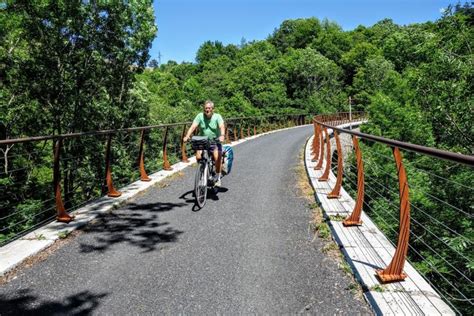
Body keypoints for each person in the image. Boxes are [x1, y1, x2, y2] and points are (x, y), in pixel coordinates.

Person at [183, 100, 225, 186]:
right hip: (202, 140)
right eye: (206, 108)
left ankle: (217, 177)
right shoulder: (200, 116)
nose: (207, 110)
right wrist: (187, 136)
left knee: (217, 158)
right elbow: (193, 126)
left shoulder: (217, 117)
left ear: (213, 109)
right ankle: (202, 172)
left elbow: (221, 126)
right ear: (204, 109)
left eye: (209, 108)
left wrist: (222, 135)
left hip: (214, 140)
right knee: (198, 156)